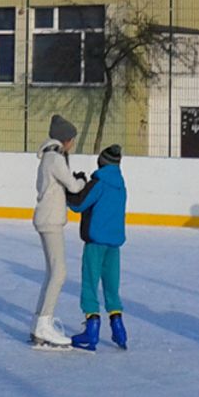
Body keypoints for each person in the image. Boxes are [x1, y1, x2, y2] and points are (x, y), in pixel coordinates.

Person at [30, 114, 88, 348]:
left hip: (46, 218)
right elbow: (73, 186)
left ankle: (38, 322)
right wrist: (83, 180)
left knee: (52, 272)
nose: (73, 143)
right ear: (65, 139)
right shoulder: (55, 158)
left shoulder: (49, 156)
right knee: (59, 273)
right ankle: (44, 325)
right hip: (51, 220)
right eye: (72, 139)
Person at [67, 144, 128, 351]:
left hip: (95, 242)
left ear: (101, 162)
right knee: (112, 287)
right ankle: (118, 328)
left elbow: (78, 205)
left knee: (90, 284)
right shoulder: (121, 185)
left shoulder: (99, 183)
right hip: (114, 244)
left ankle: (91, 330)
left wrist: (74, 186)